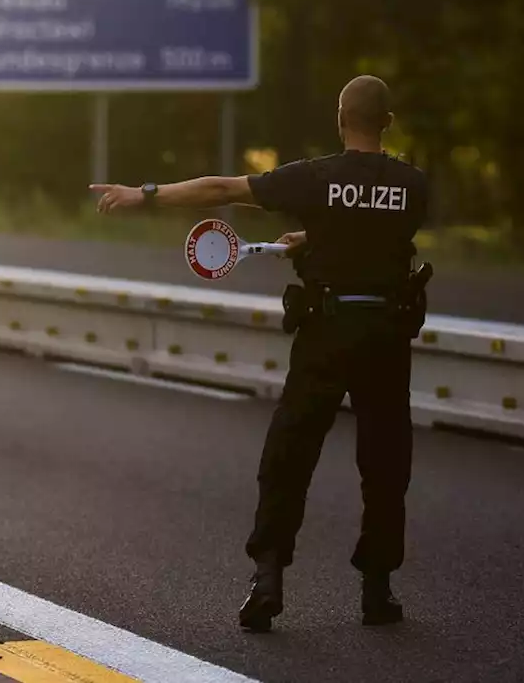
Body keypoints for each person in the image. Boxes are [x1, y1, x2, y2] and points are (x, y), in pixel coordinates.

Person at [89, 75, 429, 632]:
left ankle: (268, 577)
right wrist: (315, 240)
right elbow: (378, 238)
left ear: (341, 119)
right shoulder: (414, 186)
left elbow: (221, 189)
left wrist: (144, 194)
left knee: (288, 457)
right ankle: (377, 590)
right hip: (386, 338)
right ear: (387, 123)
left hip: (326, 332)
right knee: (386, 465)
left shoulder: (315, 178)